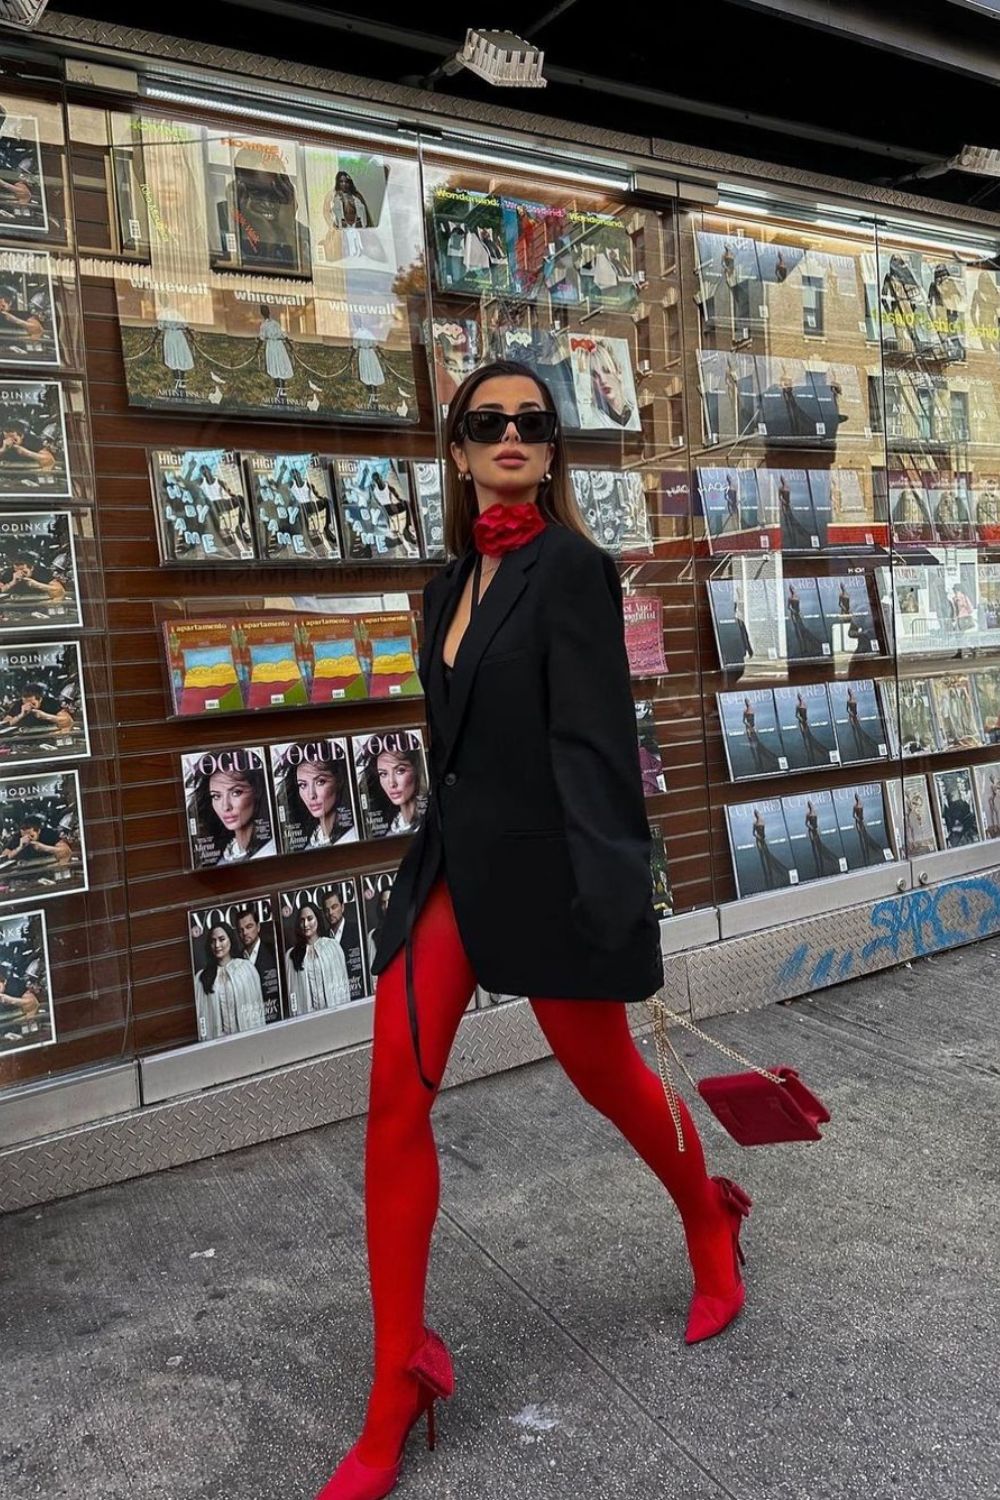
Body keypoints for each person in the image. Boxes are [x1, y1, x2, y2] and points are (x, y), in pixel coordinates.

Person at [313, 360, 753, 1500]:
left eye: (532, 423)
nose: (510, 436)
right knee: (391, 1102)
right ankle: (394, 1384)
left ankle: (709, 1218)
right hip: (454, 872)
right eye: (485, 422)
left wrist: (620, 905)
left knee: (604, 1075)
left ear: (554, 451)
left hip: (554, 874)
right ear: (457, 451)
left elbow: (597, 747)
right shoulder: (444, 581)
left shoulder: (572, 571)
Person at [193, 758, 274, 865]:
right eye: (216, 796)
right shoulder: (220, 856)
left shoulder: (271, 850)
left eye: (236, 792)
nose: (225, 806)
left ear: (258, 792)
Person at [193, 921, 266, 1039]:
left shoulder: (246, 968)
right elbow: (203, 1017)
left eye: (222, 939)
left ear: (230, 940)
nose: (217, 945)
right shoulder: (201, 978)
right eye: (213, 941)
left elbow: (257, 1011)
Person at [284, 900, 351, 1014]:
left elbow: (342, 986)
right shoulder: (291, 955)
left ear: (318, 920)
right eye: (302, 920)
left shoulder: (332, 947)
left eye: (310, 919)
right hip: (307, 1021)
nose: (306, 924)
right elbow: (292, 993)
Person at [284, 749, 357, 848]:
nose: (311, 795)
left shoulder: (353, 836)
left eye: (320, 782)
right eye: (302, 785)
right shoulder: (306, 841)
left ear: (339, 781)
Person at [0, 681, 73, 737]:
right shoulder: (18, 705)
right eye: (25, 703)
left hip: (49, 738)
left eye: (33, 703)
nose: (29, 706)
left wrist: (45, 716)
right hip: (25, 740)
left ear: (40, 699)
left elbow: (67, 720)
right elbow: (4, 725)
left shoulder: (51, 703)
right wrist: (20, 715)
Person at [258, 304, 294, 404]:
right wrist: (290, 346)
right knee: (277, 369)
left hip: (275, 347)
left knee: (278, 369)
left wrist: (290, 347)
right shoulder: (270, 324)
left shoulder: (270, 324)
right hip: (276, 346)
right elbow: (284, 336)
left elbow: (262, 339)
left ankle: (282, 393)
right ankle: (280, 393)